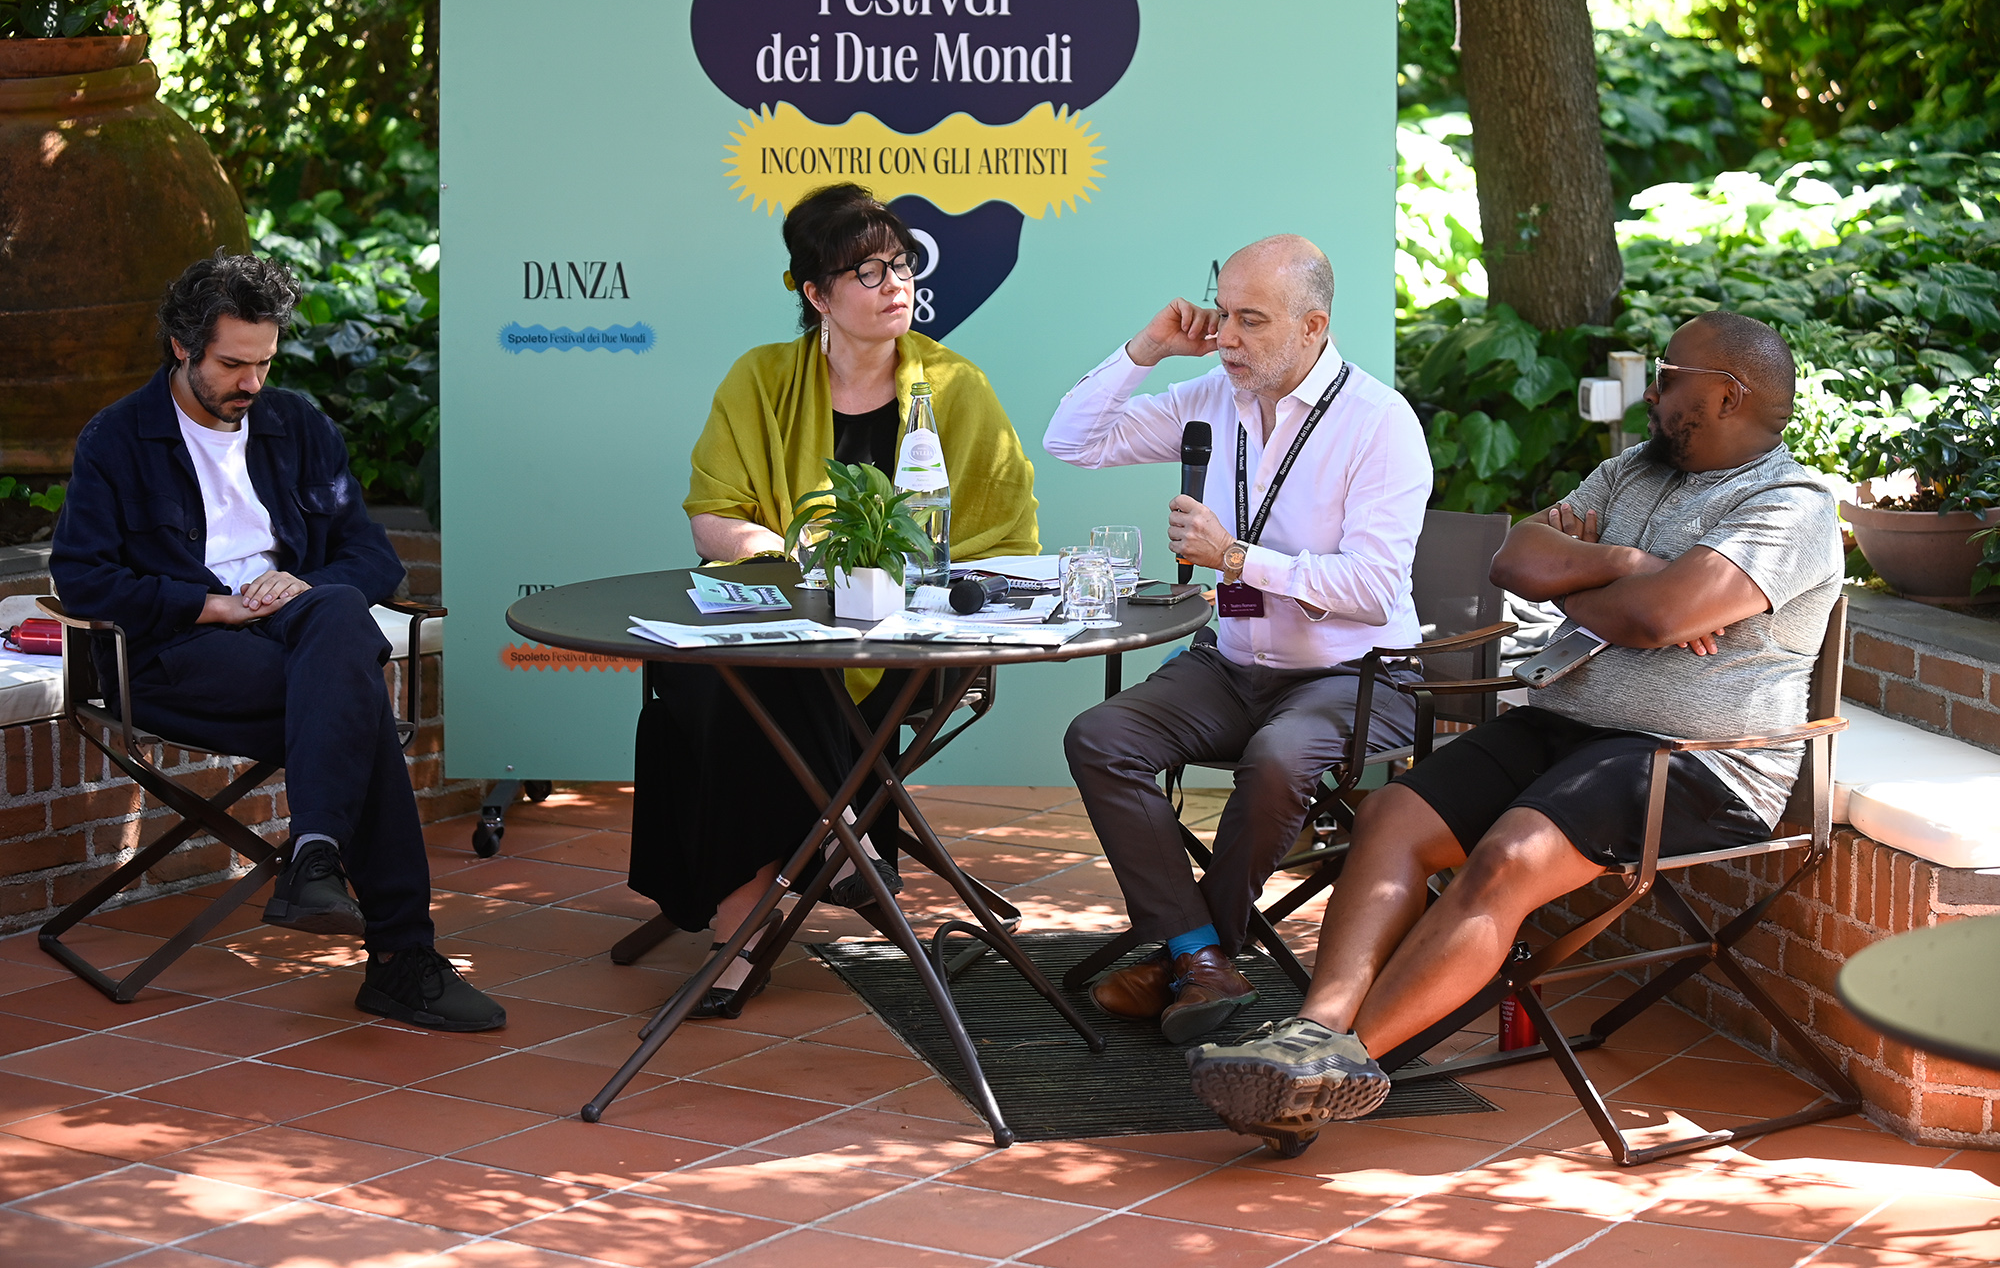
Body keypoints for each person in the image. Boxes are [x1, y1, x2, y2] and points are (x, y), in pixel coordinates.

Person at [1187, 311, 1840, 1135]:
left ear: (1727, 394)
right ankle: (1313, 1031)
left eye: (1667, 376)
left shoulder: (1791, 505)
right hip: (1567, 721)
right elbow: (1517, 559)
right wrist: (1628, 567)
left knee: (1507, 857)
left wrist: (1597, 588)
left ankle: (1343, 1064)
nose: (1651, 394)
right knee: (1392, 816)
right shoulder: (1631, 471)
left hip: (1697, 760)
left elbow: (1657, 617)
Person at [52, 253, 505, 1033]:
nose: (252, 383)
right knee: (356, 708)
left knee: (336, 609)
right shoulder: (118, 439)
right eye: (233, 364)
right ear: (181, 347)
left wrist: (299, 582)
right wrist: (209, 605)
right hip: (175, 652)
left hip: (297, 633)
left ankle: (316, 854)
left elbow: (372, 556)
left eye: (264, 362)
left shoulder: (297, 426)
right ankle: (398, 955)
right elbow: (83, 577)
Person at [629, 183, 1039, 1016]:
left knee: (754, 686)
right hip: (786, 626)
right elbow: (714, 515)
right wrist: (783, 554)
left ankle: (746, 931)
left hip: (910, 643)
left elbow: (1007, 536)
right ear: (816, 294)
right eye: (868, 271)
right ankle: (835, 846)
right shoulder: (761, 378)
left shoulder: (955, 386)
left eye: (901, 264)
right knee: (713, 678)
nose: (897, 283)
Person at [1043, 235, 1432, 1044]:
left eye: (1251, 321)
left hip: (1358, 676)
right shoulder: (1210, 398)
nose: (1225, 337)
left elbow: (1372, 589)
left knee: (1279, 757)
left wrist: (1235, 556)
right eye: (1221, 314)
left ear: (1313, 325)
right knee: (1100, 736)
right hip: (1231, 664)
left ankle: (1194, 953)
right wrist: (1147, 348)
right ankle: (1201, 955)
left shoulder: (1379, 423)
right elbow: (1072, 441)